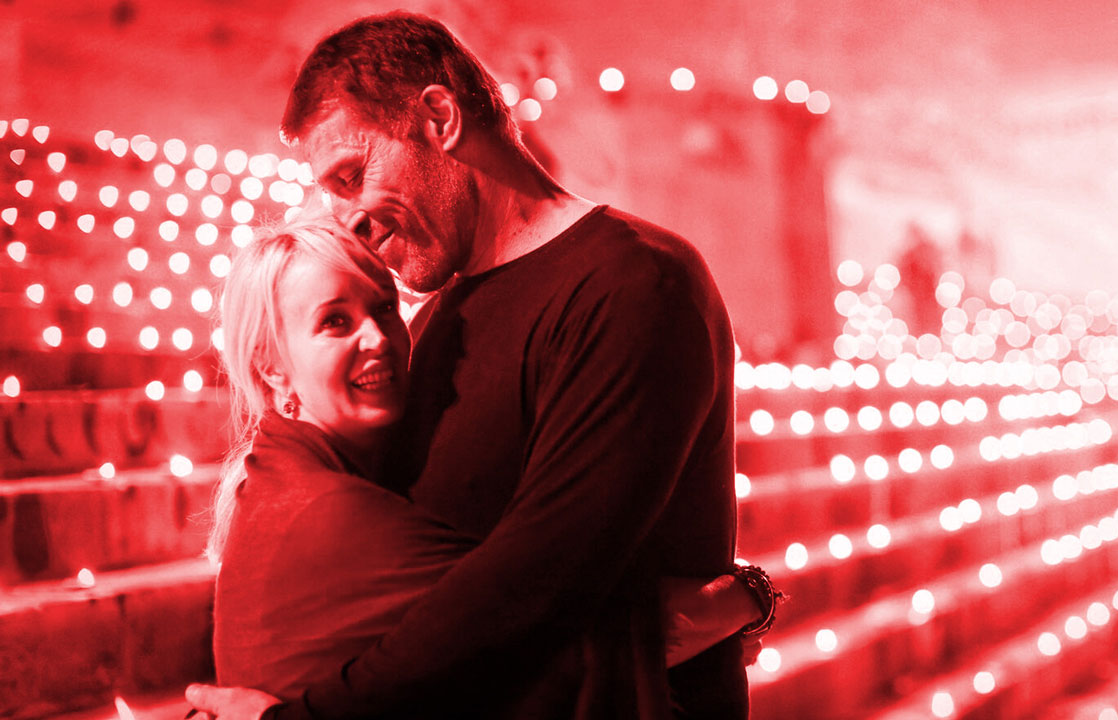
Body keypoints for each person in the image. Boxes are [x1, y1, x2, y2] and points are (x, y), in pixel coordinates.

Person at [188, 11, 753, 719]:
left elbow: (536, 587)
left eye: (353, 174)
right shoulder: (427, 322)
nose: (349, 218)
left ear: (439, 118)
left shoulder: (635, 284)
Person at [204, 220, 766, 712]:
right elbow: (548, 634)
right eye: (334, 322)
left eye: (382, 308)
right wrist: (745, 599)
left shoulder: (280, 479)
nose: (378, 338)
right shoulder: (325, 511)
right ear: (271, 368)